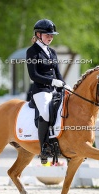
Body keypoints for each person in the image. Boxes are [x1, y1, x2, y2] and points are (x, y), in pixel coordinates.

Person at [26, 19, 69, 164]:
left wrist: (63, 84)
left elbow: (58, 73)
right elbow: (33, 75)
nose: (50, 37)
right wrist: (52, 82)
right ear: (38, 34)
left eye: (52, 35)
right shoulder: (32, 51)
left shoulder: (52, 52)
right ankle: (44, 148)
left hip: (54, 90)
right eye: (47, 35)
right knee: (45, 112)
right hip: (40, 90)